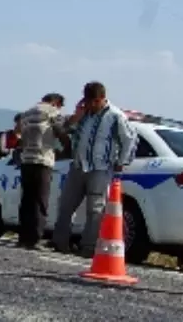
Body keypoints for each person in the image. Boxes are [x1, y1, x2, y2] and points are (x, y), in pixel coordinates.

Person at [53, 82, 137, 257]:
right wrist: (76, 116)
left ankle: (89, 247)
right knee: (66, 205)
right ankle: (60, 242)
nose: (91, 105)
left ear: (101, 99)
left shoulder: (115, 116)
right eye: (88, 101)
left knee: (95, 209)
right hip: (78, 166)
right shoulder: (84, 114)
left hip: (100, 168)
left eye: (94, 102)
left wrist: (121, 161)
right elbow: (64, 129)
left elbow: (128, 139)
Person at [16, 93, 74, 250]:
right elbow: (62, 130)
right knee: (40, 200)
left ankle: (23, 237)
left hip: (26, 159)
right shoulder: (51, 111)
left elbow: (19, 135)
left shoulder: (27, 113)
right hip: (43, 160)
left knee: (27, 199)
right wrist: (68, 148)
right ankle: (35, 238)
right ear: (56, 103)